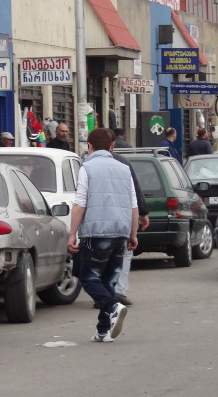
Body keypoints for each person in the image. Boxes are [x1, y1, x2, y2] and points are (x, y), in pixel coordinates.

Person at [68, 128, 139, 343]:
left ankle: (112, 306)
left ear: (89, 146)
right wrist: (133, 234)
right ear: (112, 146)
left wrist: (72, 233)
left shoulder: (86, 167)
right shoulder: (124, 168)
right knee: (108, 281)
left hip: (96, 232)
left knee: (88, 277)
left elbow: (80, 203)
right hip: (120, 232)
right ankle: (103, 330)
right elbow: (133, 204)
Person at [111, 150, 150, 306]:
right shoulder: (123, 163)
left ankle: (103, 292)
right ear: (112, 144)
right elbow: (135, 189)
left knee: (99, 254)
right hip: (122, 213)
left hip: (96, 218)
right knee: (125, 251)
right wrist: (143, 212)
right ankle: (119, 290)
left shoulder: (87, 164)